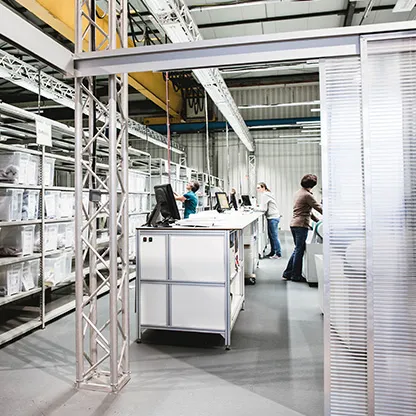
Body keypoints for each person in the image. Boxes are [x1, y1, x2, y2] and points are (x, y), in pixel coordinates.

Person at [282, 174, 322, 282]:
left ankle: (288, 273)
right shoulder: (307, 195)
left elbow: (306, 211)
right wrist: (329, 214)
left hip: (294, 224)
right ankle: (296, 275)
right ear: (313, 185)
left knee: (298, 249)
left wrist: (317, 220)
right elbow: (318, 207)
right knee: (299, 250)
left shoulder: (298, 193)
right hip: (301, 225)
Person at [256, 182, 282, 259]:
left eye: (258, 188)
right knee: (271, 236)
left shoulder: (265, 195)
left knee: (274, 236)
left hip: (273, 217)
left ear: (263, 187)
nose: (257, 190)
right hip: (273, 217)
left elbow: (264, 209)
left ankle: (278, 253)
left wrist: (254, 209)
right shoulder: (268, 194)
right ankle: (273, 252)